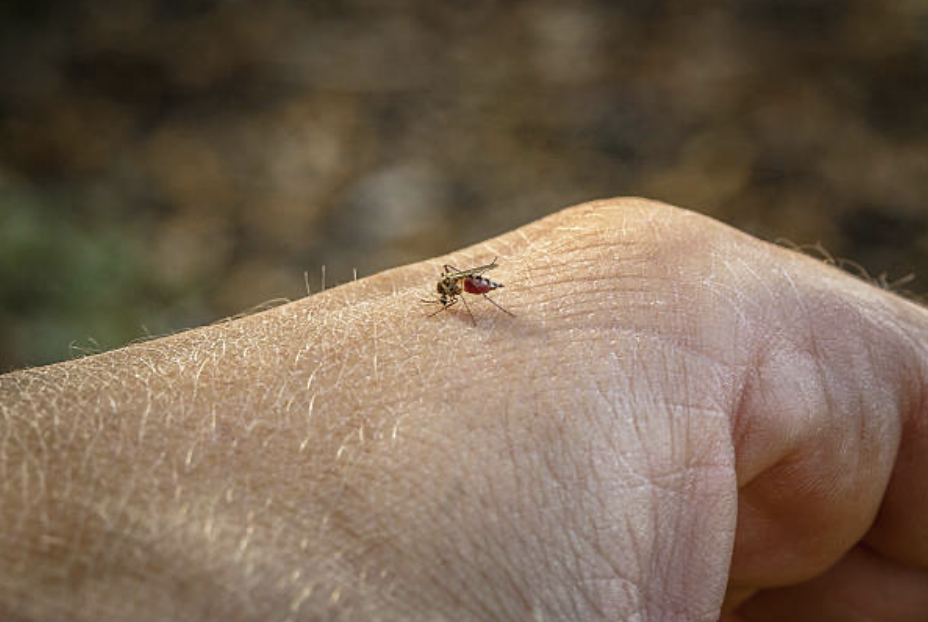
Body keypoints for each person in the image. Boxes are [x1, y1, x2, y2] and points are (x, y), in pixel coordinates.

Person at [1, 198, 926, 621]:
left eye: (456, 287)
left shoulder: (468, 291)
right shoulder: (461, 296)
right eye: (456, 287)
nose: (454, 289)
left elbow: (473, 294)